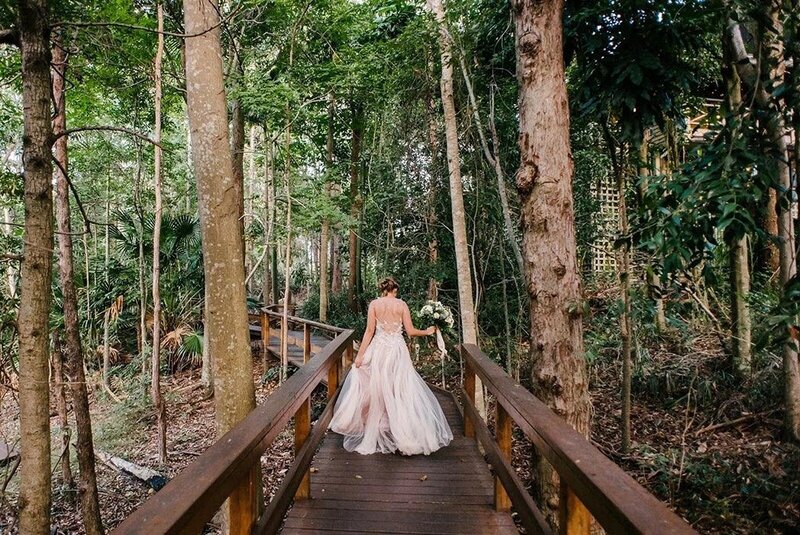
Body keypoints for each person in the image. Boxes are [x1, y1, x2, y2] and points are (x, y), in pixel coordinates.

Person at [328, 277, 453, 455]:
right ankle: (400, 429)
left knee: (377, 386)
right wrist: (427, 331)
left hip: (379, 350)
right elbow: (410, 331)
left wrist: (361, 355)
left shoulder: (374, 305)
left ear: (383, 290)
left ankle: (377, 425)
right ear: (395, 290)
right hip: (396, 351)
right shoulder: (401, 305)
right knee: (398, 388)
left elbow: (369, 331)